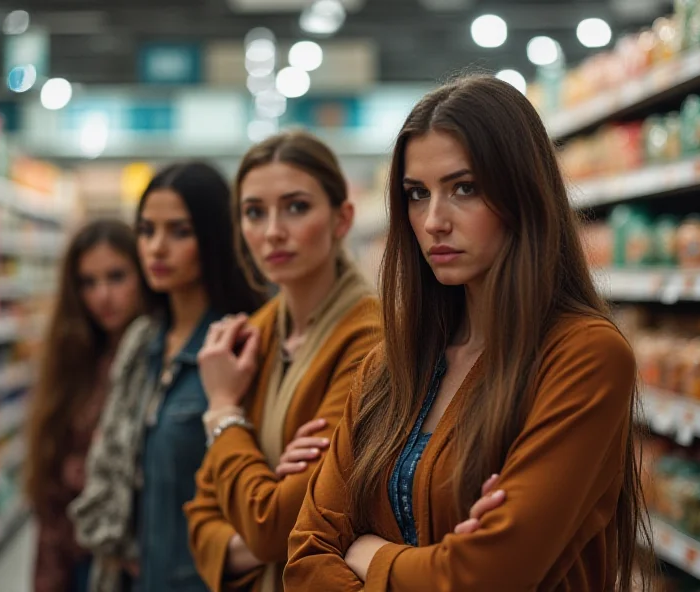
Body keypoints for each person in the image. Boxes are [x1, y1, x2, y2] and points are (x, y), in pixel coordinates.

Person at [284, 75, 654, 591]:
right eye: (416, 194)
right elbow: (304, 555)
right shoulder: (390, 367)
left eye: (465, 189)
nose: (433, 220)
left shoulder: (585, 357)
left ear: (522, 194)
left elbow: (484, 576)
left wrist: (368, 552)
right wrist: (436, 564)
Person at [183, 130, 382, 592]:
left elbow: (272, 526)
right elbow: (200, 518)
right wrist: (264, 505)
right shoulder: (253, 335)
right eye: (254, 212)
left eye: (296, 207)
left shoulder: (371, 339)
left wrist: (224, 414)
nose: (272, 231)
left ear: (342, 218)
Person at [69, 162, 265, 592]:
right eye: (146, 230)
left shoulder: (240, 344)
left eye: (179, 231)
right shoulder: (142, 344)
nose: (156, 248)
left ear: (214, 237)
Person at [25, 219, 147, 592]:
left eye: (116, 277)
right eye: (88, 283)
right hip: (76, 553)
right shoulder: (74, 358)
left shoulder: (153, 356)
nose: (102, 296)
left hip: (133, 557)